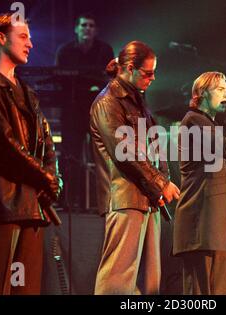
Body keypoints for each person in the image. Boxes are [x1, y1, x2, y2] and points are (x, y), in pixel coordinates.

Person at [0, 13, 62, 294]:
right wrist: (45, 177)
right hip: (2, 204)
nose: (30, 44)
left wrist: (50, 176)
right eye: (23, 37)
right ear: (1, 38)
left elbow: (46, 141)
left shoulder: (27, 93)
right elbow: (4, 146)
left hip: (30, 204)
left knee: (26, 287)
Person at [90, 40, 180, 294]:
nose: (153, 78)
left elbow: (154, 146)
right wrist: (161, 183)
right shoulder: (108, 102)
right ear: (129, 68)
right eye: (148, 73)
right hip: (124, 198)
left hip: (146, 197)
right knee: (118, 279)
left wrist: (160, 184)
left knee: (150, 282)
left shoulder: (137, 102)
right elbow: (125, 153)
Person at [172, 72, 226, 295]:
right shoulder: (194, 120)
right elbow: (225, 151)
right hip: (201, 227)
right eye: (220, 89)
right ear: (202, 93)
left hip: (214, 227)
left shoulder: (208, 123)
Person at [55, 13, 114, 209]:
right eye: (83, 25)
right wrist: (90, 84)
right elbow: (60, 81)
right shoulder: (65, 51)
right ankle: (69, 199)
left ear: (95, 30)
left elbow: (109, 80)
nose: (87, 28)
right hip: (73, 110)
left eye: (91, 25)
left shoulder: (104, 50)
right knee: (70, 155)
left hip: (98, 110)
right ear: (76, 29)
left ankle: (102, 200)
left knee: (101, 154)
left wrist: (88, 84)